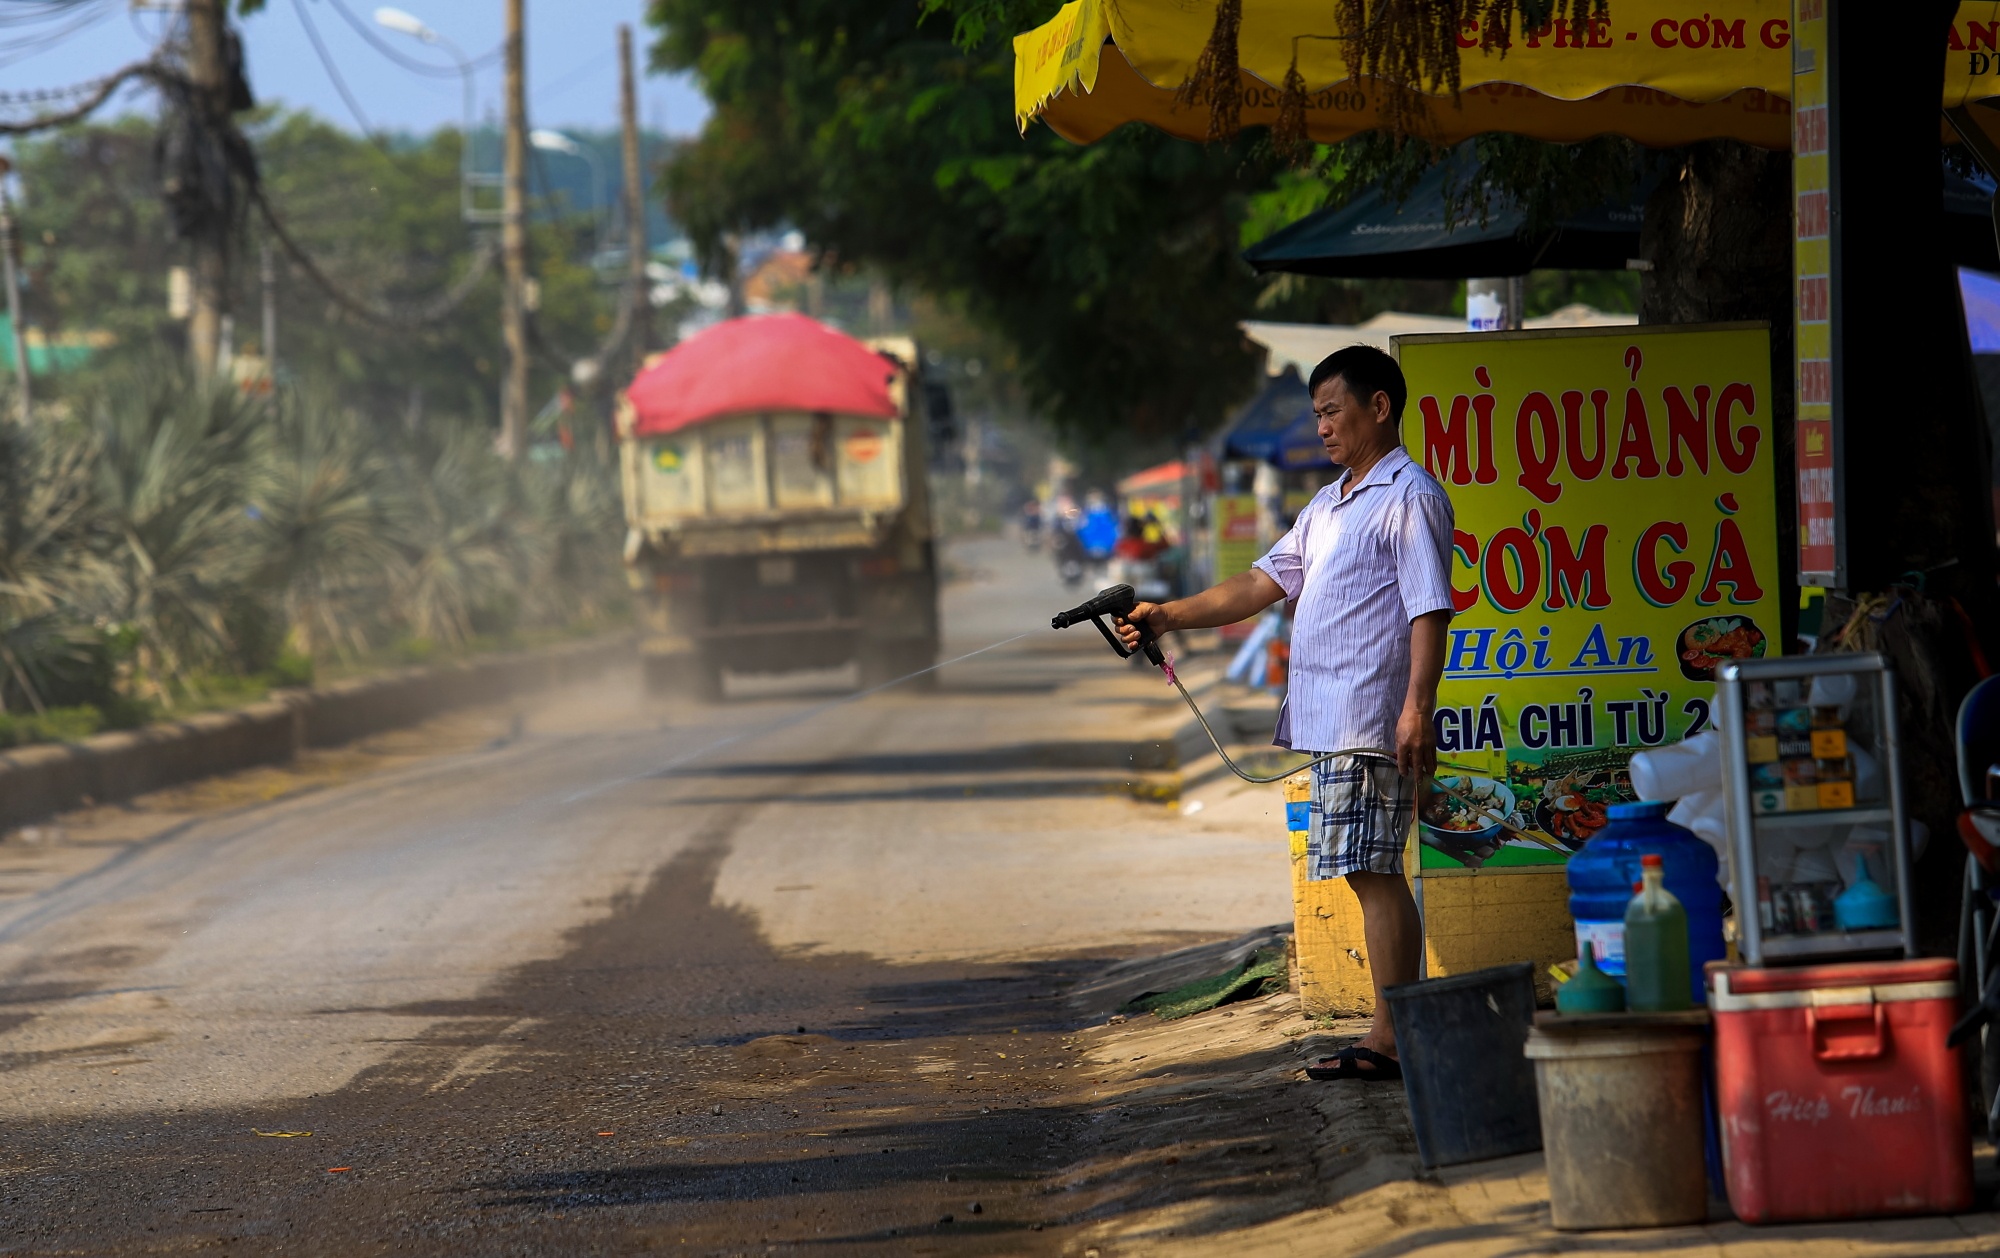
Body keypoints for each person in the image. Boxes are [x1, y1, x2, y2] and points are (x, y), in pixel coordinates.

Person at [1116, 344, 1454, 1081]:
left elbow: (1430, 609)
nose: (1323, 427)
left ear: (1380, 407)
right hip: (1333, 719)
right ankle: (1393, 1030)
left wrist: (1416, 710)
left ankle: (1393, 1038)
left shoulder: (1409, 496)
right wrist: (1168, 614)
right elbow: (1262, 583)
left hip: (1371, 716)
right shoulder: (1330, 503)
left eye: (1333, 411)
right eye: (1318, 415)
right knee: (1367, 871)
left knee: (1373, 871)